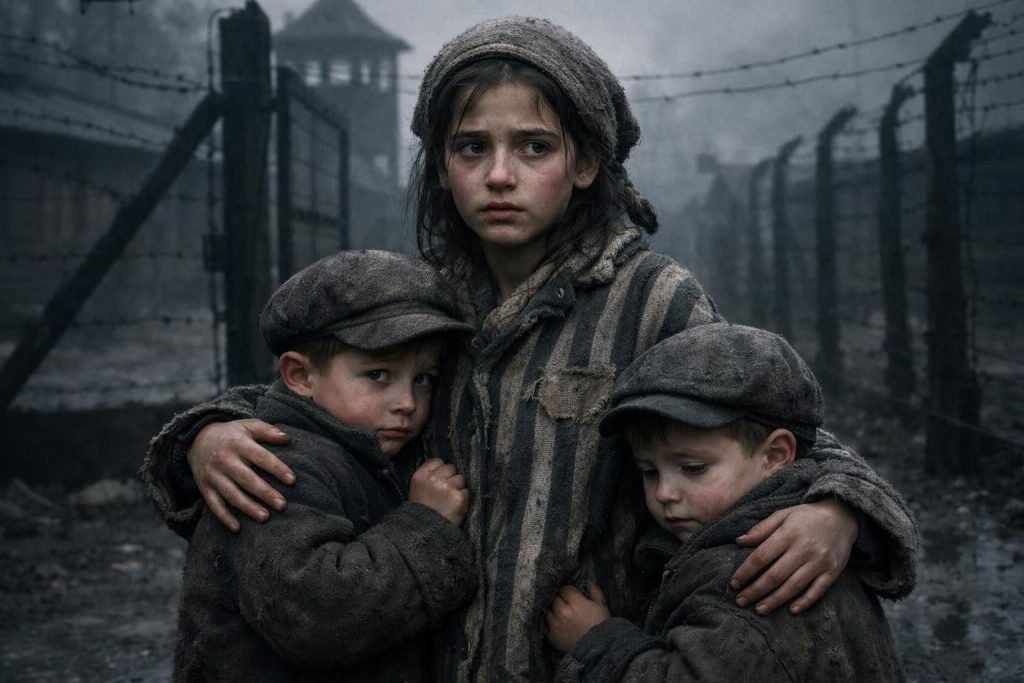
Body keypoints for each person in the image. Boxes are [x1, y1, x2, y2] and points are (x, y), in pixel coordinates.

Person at [144, 17, 917, 681]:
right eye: (471, 148)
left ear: (584, 163)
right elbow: (308, 403)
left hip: (576, 657)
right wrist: (203, 435)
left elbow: (770, 432)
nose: (500, 175)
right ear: (443, 170)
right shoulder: (416, 304)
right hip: (428, 653)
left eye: (535, 147)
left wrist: (840, 507)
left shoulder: (654, 302)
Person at [173, 250, 478, 681]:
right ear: (299, 376)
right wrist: (426, 526)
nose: (407, 403)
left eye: (422, 378)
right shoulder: (271, 464)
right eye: (378, 375)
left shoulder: (365, 449)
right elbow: (317, 619)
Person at [545, 322, 909, 681]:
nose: (663, 493)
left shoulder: (758, 576)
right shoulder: (766, 528)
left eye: (693, 468)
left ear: (776, 455)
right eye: (649, 471)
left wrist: (597, 643)